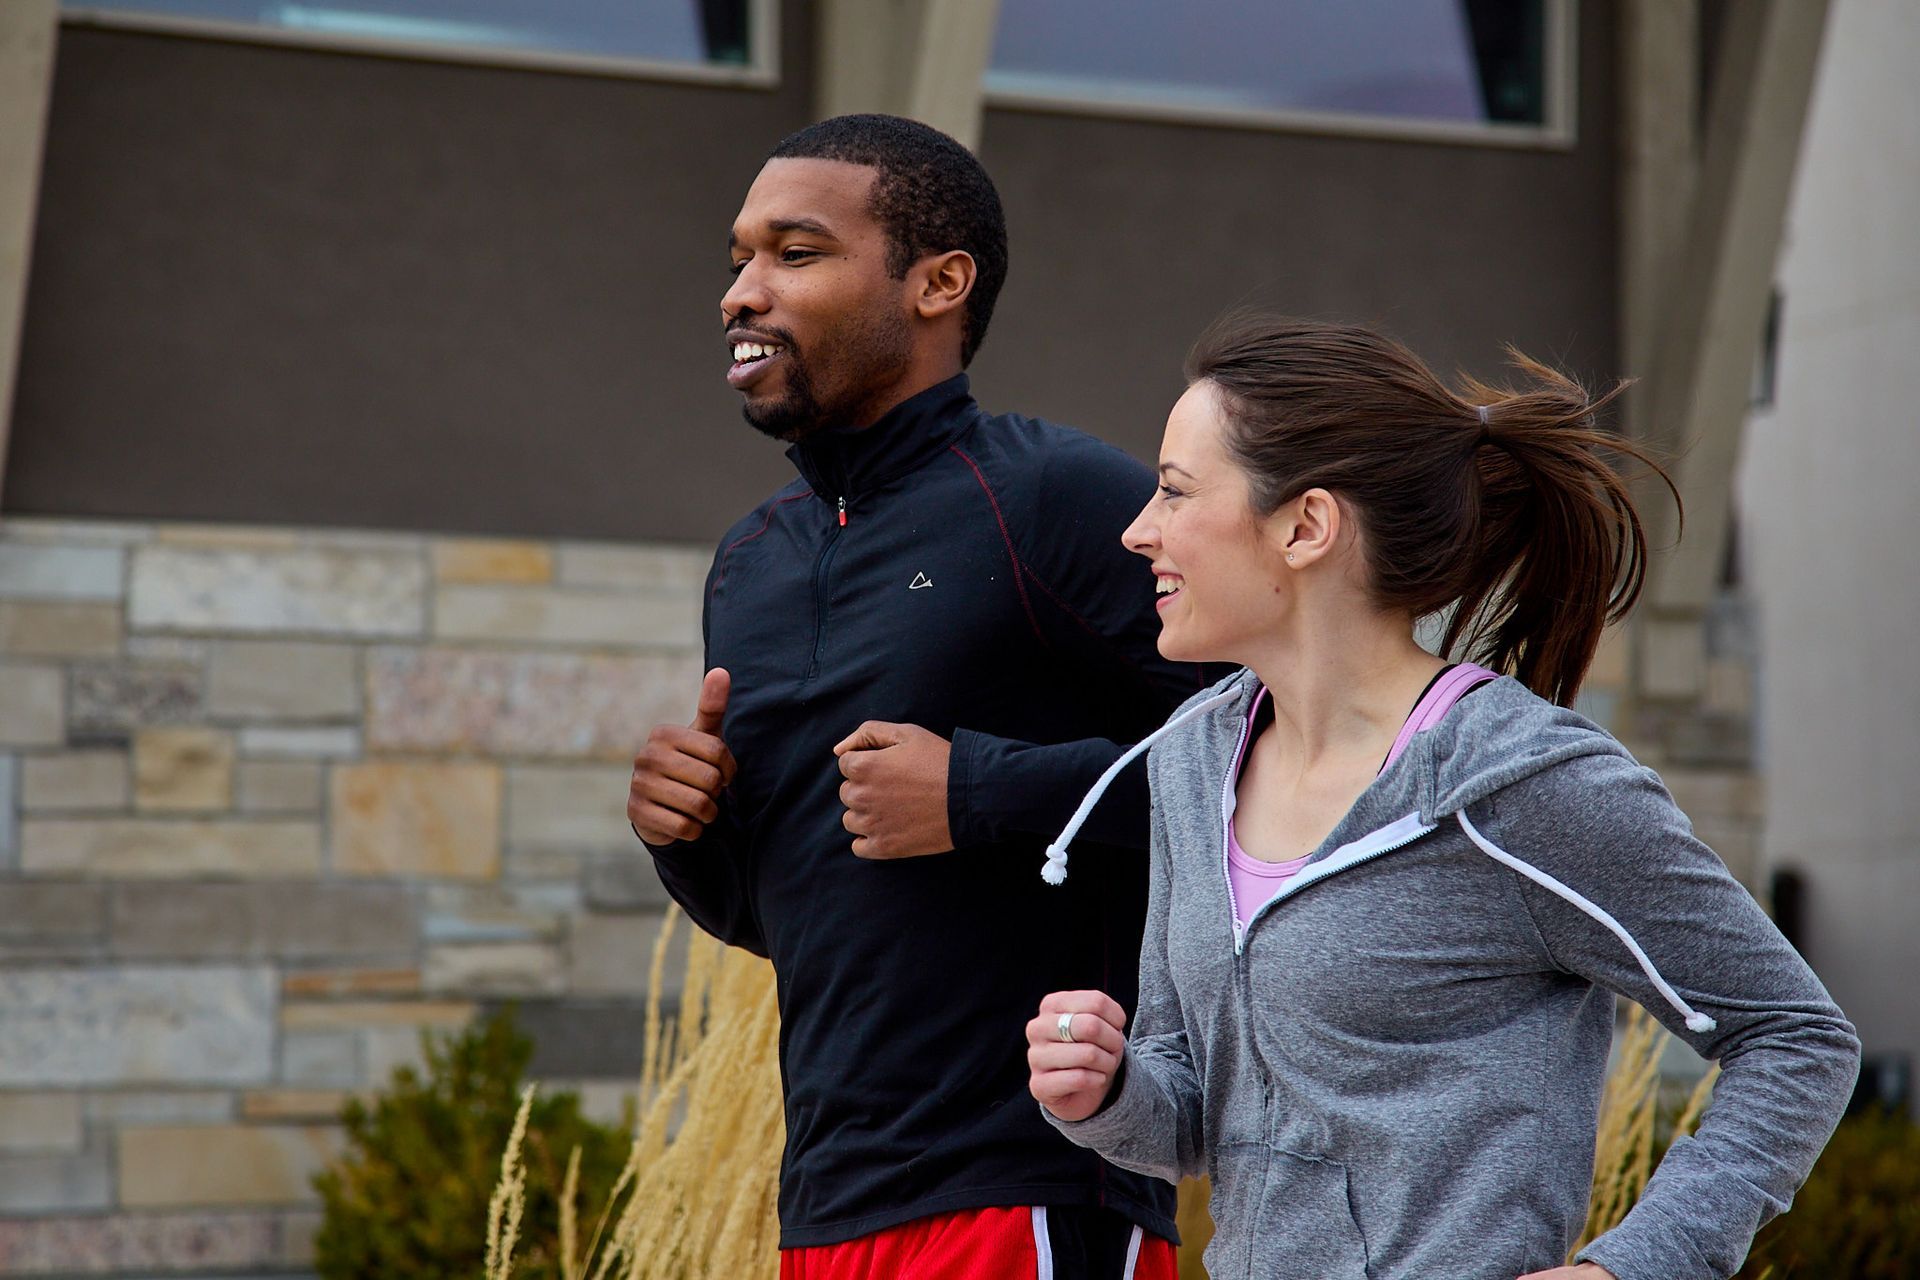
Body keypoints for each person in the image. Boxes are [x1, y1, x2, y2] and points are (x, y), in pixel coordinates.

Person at [1026, 315, 1861, 1280]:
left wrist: (1630, 1268)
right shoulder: (1189, 763)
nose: (1140, 529)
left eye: (1173, 492)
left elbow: (1796, 1038)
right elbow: (1195, 1120)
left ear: (1306, 526)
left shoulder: (1518, 783)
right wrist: (1108, 1089)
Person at [627, 114, 1210, 1279]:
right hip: (831, 1202)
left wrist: (977, 790)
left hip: (1031, 1184)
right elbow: (792, 908)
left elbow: (1269, 762)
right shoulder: (753, 560)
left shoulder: (1057, 497)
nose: (743, 292)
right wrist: (689, 838)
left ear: (940, 282)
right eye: (737, 258)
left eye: (794, 253)